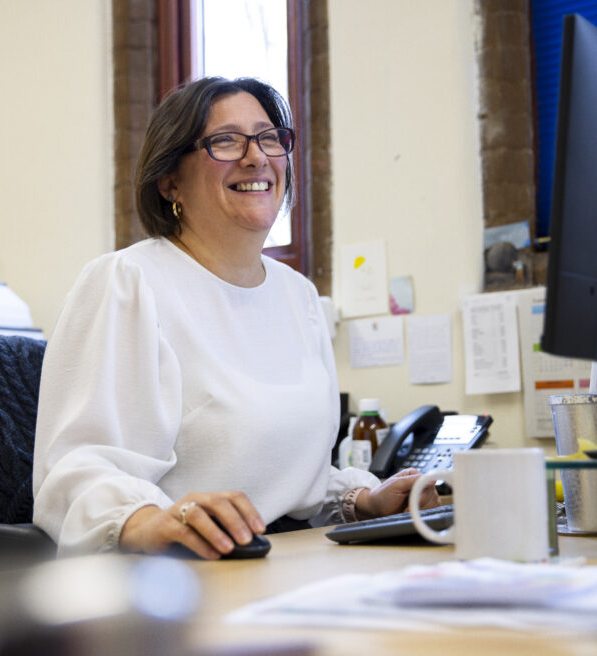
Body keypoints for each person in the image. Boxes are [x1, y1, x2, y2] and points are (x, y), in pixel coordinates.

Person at [33, 76, 439, 559]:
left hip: (287, 564)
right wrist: (154, 520)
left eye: (270, 138)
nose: (256, 157)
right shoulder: (128, 282)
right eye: (225, 141)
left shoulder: (299, 295)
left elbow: (291, 483)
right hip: (183, 575)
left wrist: (362, 500)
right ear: (170, 182)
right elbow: (76, 471)